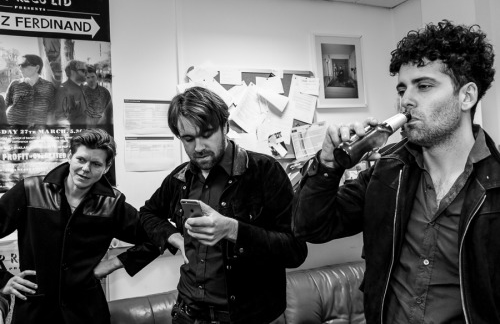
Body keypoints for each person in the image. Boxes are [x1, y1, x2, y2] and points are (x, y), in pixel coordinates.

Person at [293, 20, 498, 324]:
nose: (406, 100)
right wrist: (327, 166)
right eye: (403, 88)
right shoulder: (387, 170)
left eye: (424, 86)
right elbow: (312, 228)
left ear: (466, 96)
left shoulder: (495, 185)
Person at [139, 86, 308, 324]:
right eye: (188, 139)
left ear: (225, 127)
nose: (198, 147)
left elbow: (295, 252)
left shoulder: (264, 171)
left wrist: (233, 230)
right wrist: (175, 238)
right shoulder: (180, 178)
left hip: (250, 316)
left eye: (207, 134)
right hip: (188, 313)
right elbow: (148, 214)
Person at [0, 128, 160, 324]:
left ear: (106, 168)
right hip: (35, 310)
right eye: (81, 160)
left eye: (96, 164)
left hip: (86, 312)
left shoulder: (112, 203)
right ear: (69, 157)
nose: (86, 169)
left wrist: (112, 264)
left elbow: (156, 236)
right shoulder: (31, 190)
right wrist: (3, 279)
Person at [5, 54, 56, 127]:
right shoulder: (14, 84)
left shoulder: (49, 86)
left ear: (37, 67)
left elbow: (52, 111)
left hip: (39, 133)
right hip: (15, 131)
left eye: (24, 65)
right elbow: (5, 106)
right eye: (19, 65)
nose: (20, 68)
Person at [50, 60, 89, 127]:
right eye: (83, 71)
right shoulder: (63, 90)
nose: (86, 73)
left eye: (87, 71)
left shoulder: (84, 88)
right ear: (72, 72)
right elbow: (61, 117)